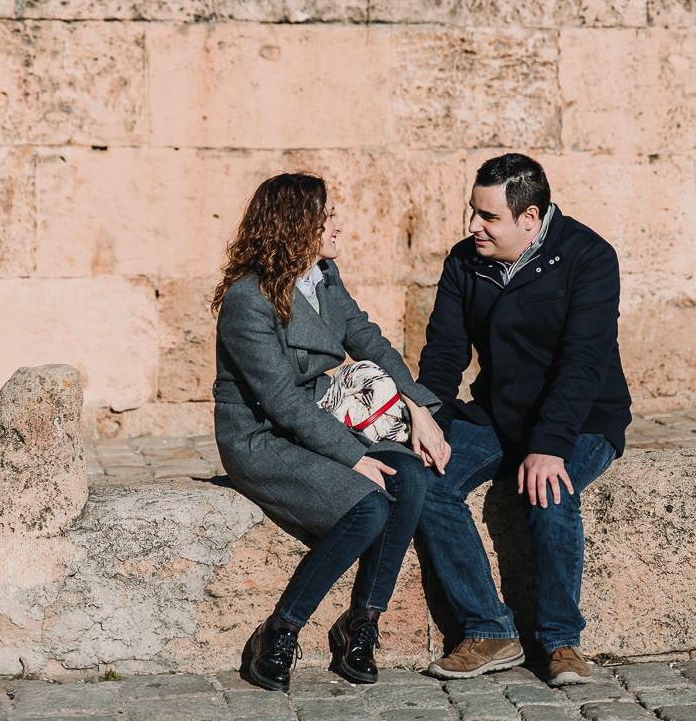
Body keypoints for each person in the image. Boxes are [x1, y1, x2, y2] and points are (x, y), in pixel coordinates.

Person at [212, 173, 450, 693]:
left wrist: (417, 405)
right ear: (296, 226)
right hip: (261, 437)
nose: (338, 226)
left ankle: (361, 623)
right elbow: (278, 400)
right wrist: (352, 458)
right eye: (328, 217)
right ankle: (280, 630)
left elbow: (366, 338)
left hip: (320, 415)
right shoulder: (246, 300)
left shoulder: (322, 276)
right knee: (369, 505)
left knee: (409, 475)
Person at [416, 153, 631, 686]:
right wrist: (430, 421)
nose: (473, 226)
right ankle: (489, 629)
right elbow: (444, 355)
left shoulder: (588, 258)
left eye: (487, 217)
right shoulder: (465, 262)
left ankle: (560, 642)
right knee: (423, 479)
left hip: (581, 420)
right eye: (473, 211)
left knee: (548, 489)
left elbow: (584, 361)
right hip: (497, 414)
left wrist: (550, 444)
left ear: (529, 218)